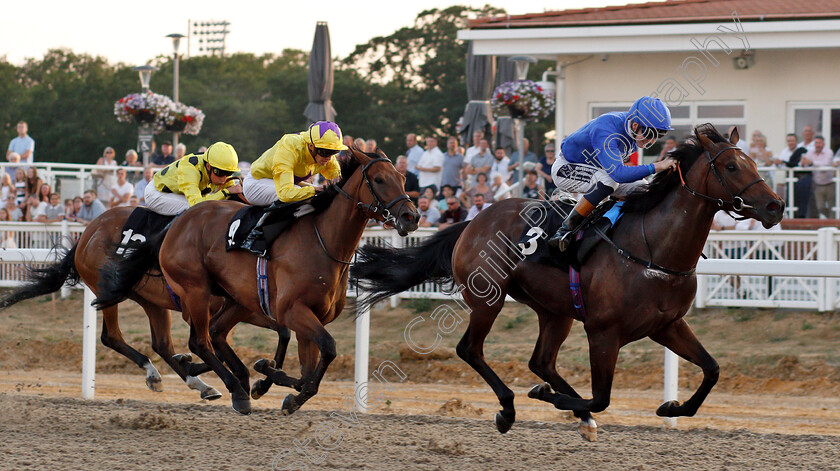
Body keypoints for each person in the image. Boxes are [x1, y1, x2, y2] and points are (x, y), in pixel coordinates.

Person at [548, 96, 678, 250]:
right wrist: (657, 166)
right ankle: (564, 231)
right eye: (650, 133)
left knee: (644, 187)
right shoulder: (607, 129)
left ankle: (615, 227)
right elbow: (618, 174)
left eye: (658, 135)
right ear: (636, 125)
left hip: (598, 172)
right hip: (566, 168)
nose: (652, 141)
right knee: (609, 181)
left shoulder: (630, 131)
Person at [245, 121, 345, 206]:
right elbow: (285, 194)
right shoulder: (290, 148)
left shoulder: (324, 153)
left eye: (334, 152)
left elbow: (339, 180)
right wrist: (316, 190)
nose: (328, 158)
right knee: (305, 195)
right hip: (256, 183)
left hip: (285, 184)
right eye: (325, 152)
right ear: (311, 146)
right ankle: (259, 227)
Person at [146, 142, 242, 216]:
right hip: (157, 194)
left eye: (229, 173)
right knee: (194, 209)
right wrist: (225, 192)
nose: (224, 178)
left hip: (178, 194)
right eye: (220, 173)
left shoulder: (218, 166)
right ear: (208, 166)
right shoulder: (190, 169)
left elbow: (233, 193)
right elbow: (196, 205)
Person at [800, 135, 836, 219]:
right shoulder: (810, 152)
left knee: (832, 206)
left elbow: (826, 163)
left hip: (829, 183)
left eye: (820, 143)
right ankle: (830, 220)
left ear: (823, 144)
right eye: (816, 143)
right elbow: (803, 163)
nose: (818, 145)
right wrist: (802, 162)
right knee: (820, 207)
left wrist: (811, 162)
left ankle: (833, 225)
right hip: (817, 184)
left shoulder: (829, 152)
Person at [773, 133, 808, 205]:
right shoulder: (784, 151)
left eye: (792, 141)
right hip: (788, 179)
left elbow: (797, 164)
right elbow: (781, 165)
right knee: (789, 199)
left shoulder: (801, 150)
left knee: (800, 200)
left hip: (800, 179)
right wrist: (778, 163)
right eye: (789, 141)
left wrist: (783, 162)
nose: (790, 143)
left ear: (796, 141)